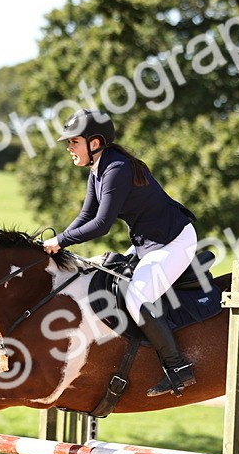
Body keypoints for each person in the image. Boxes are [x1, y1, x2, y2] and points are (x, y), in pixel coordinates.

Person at [42, 109, 199, 397]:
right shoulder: (99, 169)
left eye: (73, 142)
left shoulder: (117, 168)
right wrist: (58, 239)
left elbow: (101, 225)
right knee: (111, 276)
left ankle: (177, 367)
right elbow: (86, 214)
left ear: (95, 143)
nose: (69, 148)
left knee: (138, 297)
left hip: (174, 240)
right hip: (148, 242)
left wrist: (61, 241)